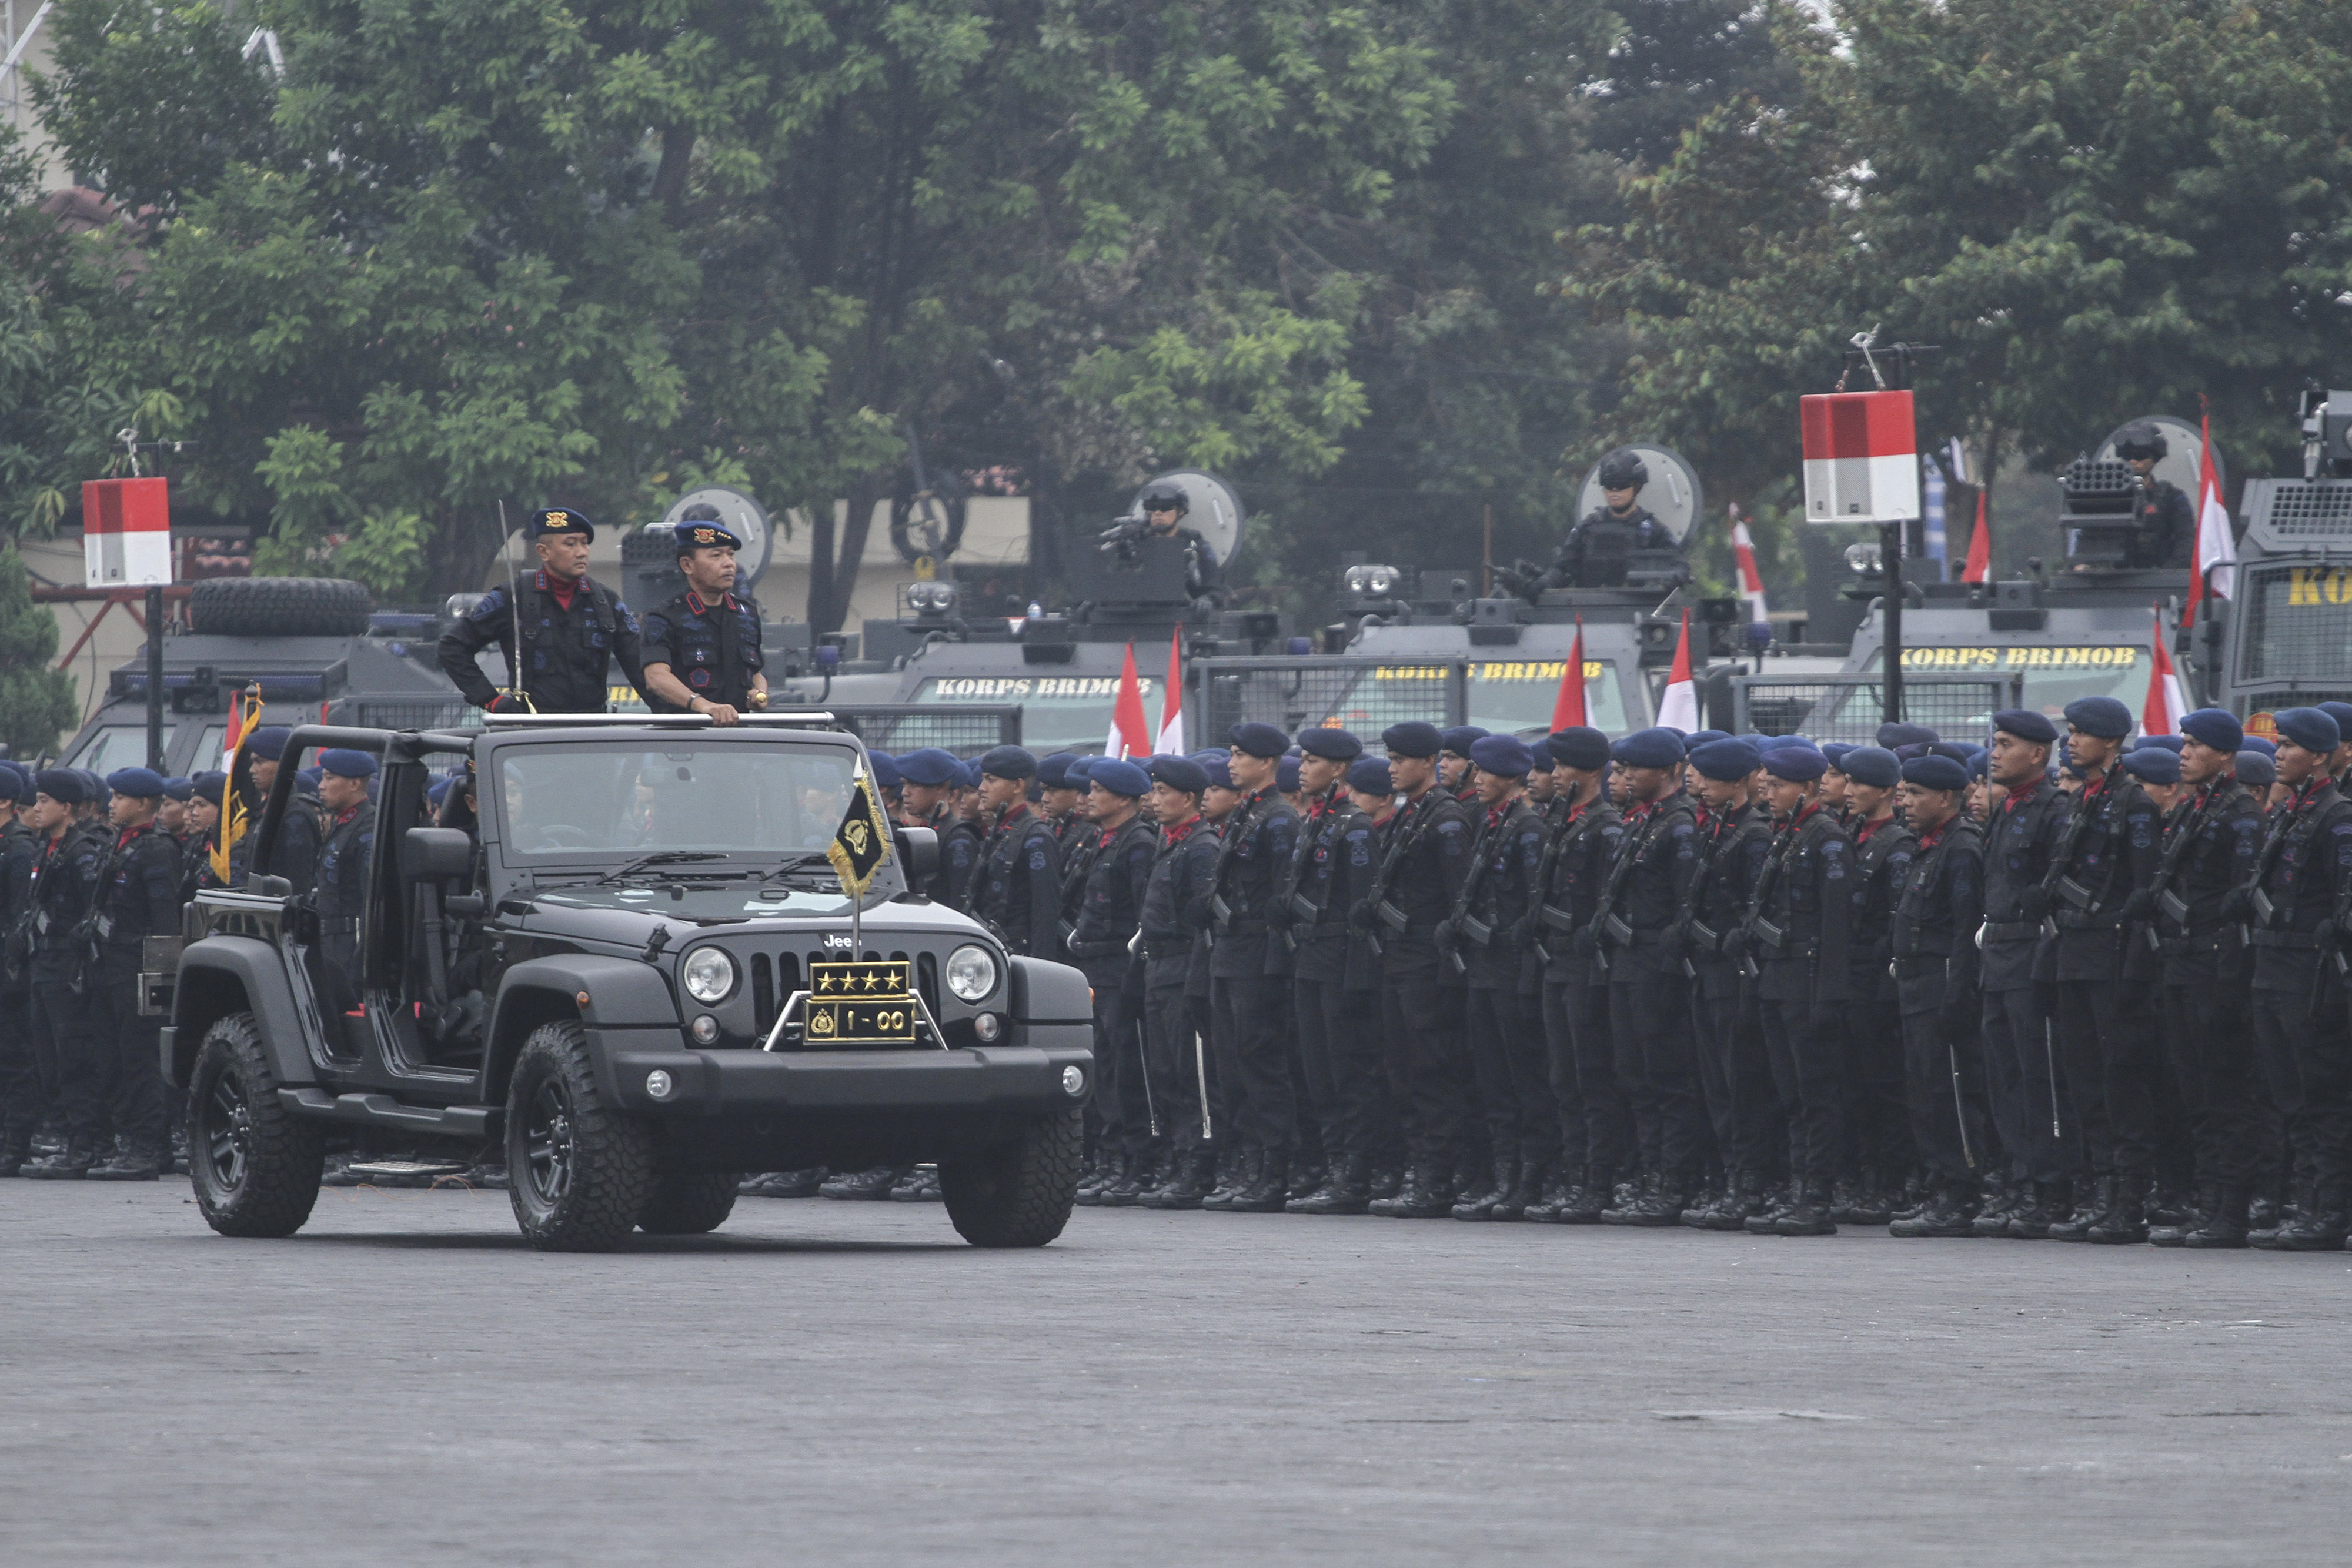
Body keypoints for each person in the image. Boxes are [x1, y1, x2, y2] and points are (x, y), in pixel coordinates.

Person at [2042, 696, 2166, 1244]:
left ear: (2112, 741)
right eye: (2070, 732)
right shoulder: (2084, 800)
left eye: (2081, 733)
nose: (2072, 741)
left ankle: (2129, 1197)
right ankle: (2102, 1188)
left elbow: (2144, 892)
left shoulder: (2132, 804)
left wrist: (2133, 964)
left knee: (2121, 1080)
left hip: (2112, 957)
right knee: (2085, 1079)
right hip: (2076, 953)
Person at [2145, 710, 2265, 1247]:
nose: (2183, 753)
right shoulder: (2199, 806)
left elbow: (2241, 902)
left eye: (2194, 745)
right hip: (2183, 961)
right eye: (2184, 744)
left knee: (2223, 1092)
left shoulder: (2239, 811)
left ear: (2224, 754)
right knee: (2195, 1089)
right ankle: (2209, 1199)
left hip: (2216, 965)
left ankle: (2230, 1207)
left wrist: (2229, 981)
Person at [2243, 708, 2352, 1249]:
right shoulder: (2295, 811)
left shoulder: (2336, 817)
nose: (2279, 752)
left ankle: (2327, 1208)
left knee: (2320, 1095)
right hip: (2273, 968)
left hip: (2309, 975)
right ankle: (2306, 1202)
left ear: (2319, 754)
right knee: (2288, 1095)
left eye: (2288, 745)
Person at [1362, 721, 1475, 1219]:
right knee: (1401, 1068)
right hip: (1399, 958)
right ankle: (1420, 1166)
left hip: (1427, 963)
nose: (1391, 767)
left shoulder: (1446, 818)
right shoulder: (1416, 814)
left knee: (1432, 1070)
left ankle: (1438, 1174)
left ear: (1427, 762)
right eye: (1389, 758)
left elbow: (1459, 899)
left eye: (1399, 759)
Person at [1595, 727, 1706, 1225]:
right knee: (1634, 1076)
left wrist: (1666, 956)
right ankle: (1650, 1172)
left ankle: (1673, 1180)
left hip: (1656, 967)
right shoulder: (1646, 820)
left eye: (1633, 768)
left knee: (1666, 1077)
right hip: (1628, 961)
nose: (1623, 776)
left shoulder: (1679, 824)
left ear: (1664, 771)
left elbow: (1685, 902)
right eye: (1621, 768)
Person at [1742, 743, 1852, 1237]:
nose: (1768, 793)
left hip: (1808, 984)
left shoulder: (1826, 838)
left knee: (1816, 1096)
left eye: (1778, 786)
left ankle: (1817, 1196)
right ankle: (1797, 1189)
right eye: (1766, 785)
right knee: (1790, 1094)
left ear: (1806, 788)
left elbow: (1836, 927)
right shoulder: (1788, 833)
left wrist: (1829, 996)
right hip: (1779, 980)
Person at [1975, 708, 2072, 1238]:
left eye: (2006, 744)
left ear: (2037, 753)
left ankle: (2049, 1185)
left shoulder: (2053, 810)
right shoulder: (2007, 810)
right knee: (2004, 1078)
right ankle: (2019, 1178)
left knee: (2038, 1077)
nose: (1995, 752)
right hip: (1998, 956)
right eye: (1995, 743)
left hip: (2032, 956)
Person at [1885, 753, 1992, 1237]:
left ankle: (1961, 1189)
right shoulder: (1929, 845)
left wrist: (1958, 995)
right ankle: (1938, 1181)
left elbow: (1966, 928)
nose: (1903, 801)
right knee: (1923, 1089)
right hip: (1915, 984)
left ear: (1945, 797)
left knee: (1949, 1090)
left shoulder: (1962, 847)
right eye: (1903, 792)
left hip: (1941, 983)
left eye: (1914, 793)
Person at [1525, 727, 1629, 1224]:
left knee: (1591, 1076)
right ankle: (1575, 1174)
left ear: (1588, 770)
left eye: (1562, 766)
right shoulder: (1567, 822)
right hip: (1558, 963)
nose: (1554, 774)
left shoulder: (1605, 826)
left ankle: (1598, 1178)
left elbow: (1606, 903)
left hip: (1587, 967)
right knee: (1563, 1077)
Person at [1446, 734, 1552, 1221]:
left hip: (1510, 968)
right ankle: (1504, 1174)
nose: (1478, 780)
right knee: (1493, 1077)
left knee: (1520, 1076)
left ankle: (1528, 1178)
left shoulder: (1528, 827)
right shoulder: (1494, 822)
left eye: (1486, 772)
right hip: (1485, 969)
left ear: (1508, 776)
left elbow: (1531, 905)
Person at [1202, 722, 1301, 1213]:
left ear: (1267, 763)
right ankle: (1244, 1162)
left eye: (1240, 755)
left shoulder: (1280, 819)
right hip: (1229, 953)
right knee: (1231, 1064)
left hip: (1258, 955)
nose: (1231, 763)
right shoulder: (1247, 813)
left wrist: (1274, 966)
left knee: (1261, 1062)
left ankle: (1274, 1167)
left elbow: (1283, 897)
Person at [1678, 736, 1776, 1229]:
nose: (1700, 787)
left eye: (1710, 778)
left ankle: (1750, 1183)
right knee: (1716, 1085)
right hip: (1709, 973)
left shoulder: (1753, 835)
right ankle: (1731, 1177)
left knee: (1741, 1086)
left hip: (1736, 976)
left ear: (1738, 781)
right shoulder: (1716, 829)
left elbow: (1756, 907)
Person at [69, 769, 185, 1181]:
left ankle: (149, 1146)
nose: (112, 803)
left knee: (140, 1059)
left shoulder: (155, 849)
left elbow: (166, 920)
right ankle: (130, 1139)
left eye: (120, 797)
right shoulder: (122, 843)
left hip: (138, 965)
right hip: (110, 962)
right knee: (113, 1057)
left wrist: (160, 981)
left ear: (142, 804)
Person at [1279, 729, 1377, 1215]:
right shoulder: (1318, 821)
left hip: (1339, 958)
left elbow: (1362, 909)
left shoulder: (1354, 826)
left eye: (1313, 760)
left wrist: (1357, 975)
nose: (1302, 766)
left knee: (1346, 1071)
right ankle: (1333, 1162)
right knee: (1317, 1071)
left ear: (1338, 770)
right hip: (1310, 959)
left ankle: (1354, 1173)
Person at [437, 507, 646, 714]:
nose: (582, 552)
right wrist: (491, 700)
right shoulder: (512, 597)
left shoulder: (606, 602)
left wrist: (672, 718)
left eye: (585, 544)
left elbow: (641, 666)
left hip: (590, 731)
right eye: (571, 544)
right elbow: (453, 647)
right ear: (544, 552)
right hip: (532, 732)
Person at [1067, 758, 1158, 1205]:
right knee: (1102, 1067)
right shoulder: (1107, 840)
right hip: (1095, 964)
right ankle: (1108, 1158)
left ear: (1123, 798)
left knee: (1124, 1069)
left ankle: (1133, 1161)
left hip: (1119, 968)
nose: (1089, 795)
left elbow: (1144, 915)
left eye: (1099, 789)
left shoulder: (1137, 843)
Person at [1134, 756, 1221, 1208]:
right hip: (1159, 969)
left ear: (1188, 798)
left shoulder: (1201, 846)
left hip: (1185, 966)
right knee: (1165, 1070)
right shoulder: (1173, 843)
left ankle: (1197, 1164)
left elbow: (1198, 921)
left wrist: (1194, 980)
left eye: (1164, 790)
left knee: (1193, 1073)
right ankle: (1176, 1153)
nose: (1155, 798)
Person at [15, 772, 109, 1178]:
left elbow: (90, 910)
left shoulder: (80, 851)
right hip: (43, 963)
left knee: (72, 1056)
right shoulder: (48, 848)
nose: (36, 808)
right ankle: (68, 1134)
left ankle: (84, 1141)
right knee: (47, 1055)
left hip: (67, 967)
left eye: (43, 800)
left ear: (66, 807)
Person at [1838, 745, 1916, 1223]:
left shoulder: (1896, 844)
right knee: (1851, 1085)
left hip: (1875, 982)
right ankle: (1862, 1174)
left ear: (1886, 790)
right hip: (1848, 979)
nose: (1848, 791)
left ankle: (1889, 1181)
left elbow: (1895, 919)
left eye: (1857, 784)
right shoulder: (1850, 834)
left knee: (1882, 1084)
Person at [639, 516, 767, 722]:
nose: (729, 564)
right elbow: (656, 677)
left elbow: (755, 672)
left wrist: (759, 694)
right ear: (688, 565)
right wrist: (704, 706)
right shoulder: (663, 617)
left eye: (731, 555)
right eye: (716, 556)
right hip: (684, 739)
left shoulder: (746, 614)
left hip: (738, 737)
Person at [1542, 447, 1686, 589]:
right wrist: (1545, 582)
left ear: (1637, 487)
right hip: (1589, 608)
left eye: (1622, 486)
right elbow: (1562, 567)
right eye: (1609, 486)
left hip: (1640, 609)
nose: (1614, 492)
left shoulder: (1654, 531)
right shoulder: (1586, 529)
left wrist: (1673, 578)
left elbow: (1679, 565)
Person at [969, 747, 1062, 959]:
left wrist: (1042, 968)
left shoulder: (1036, 837)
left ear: (1018, 785)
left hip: (1019, 953)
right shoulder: (1001, 831)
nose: (982, 788)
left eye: (991, 780)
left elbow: (1045, 911)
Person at [313, 750, 379, 991]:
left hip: (350, 948)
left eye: (330, 778)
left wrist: (361, 961)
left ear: (354, 784)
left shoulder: (367, 827)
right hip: (330, 945)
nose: (321, 786)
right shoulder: (345, 823)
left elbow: (371, 899)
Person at [240, 727, 322, 896]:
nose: (252, 770)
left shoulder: (295, 815)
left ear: (283, 763)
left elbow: (297, 882)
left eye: (260, 761)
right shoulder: (266, 810)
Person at [1132, 480, 1227, 618]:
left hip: (1184, 620)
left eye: (1165, 507)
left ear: (1181, 511)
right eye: (1152, 508)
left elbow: (1216, 589)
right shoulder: (1136, 547)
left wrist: (1208, 600)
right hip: (1140, 620)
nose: (1158, 513)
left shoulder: (1195, 546)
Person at [2112, 420, 2194, 570]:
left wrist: (2167, 575)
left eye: (2140, 456)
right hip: (2117, 580)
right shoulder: (2110, 498)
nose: (2133, 461)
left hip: (2160, 581)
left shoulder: (2173, 498)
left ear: (2154, 458)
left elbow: (2186, 540)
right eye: (2127, 456)